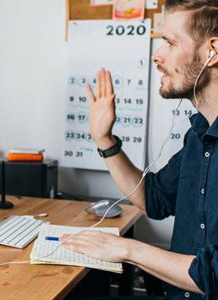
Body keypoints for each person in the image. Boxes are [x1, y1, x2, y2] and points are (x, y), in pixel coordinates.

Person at [61, 1, 218, 299]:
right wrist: (104, 139)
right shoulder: (197, 136)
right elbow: (153, 200)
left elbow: (213, 274)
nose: (157, 57)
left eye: (169, 43)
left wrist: (125, 249)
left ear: (212, 51)